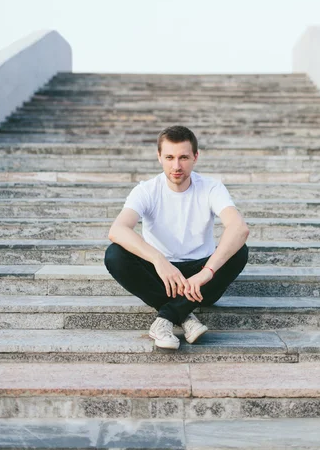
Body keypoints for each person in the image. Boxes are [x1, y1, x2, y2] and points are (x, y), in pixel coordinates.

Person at [104, 125, 249, 350]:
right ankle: (184, 315)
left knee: (240, 249)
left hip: (201, 279)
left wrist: (206, 273)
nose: (176, 166)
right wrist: (159, 260)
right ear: (159, 157)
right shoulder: (146, 190)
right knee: (114, 254)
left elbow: (239, 228)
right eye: (169, 157)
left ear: (195, 157)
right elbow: (118, 229)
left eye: (183, 157)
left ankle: (167, 317)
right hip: (161, 277)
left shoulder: (211, 188)